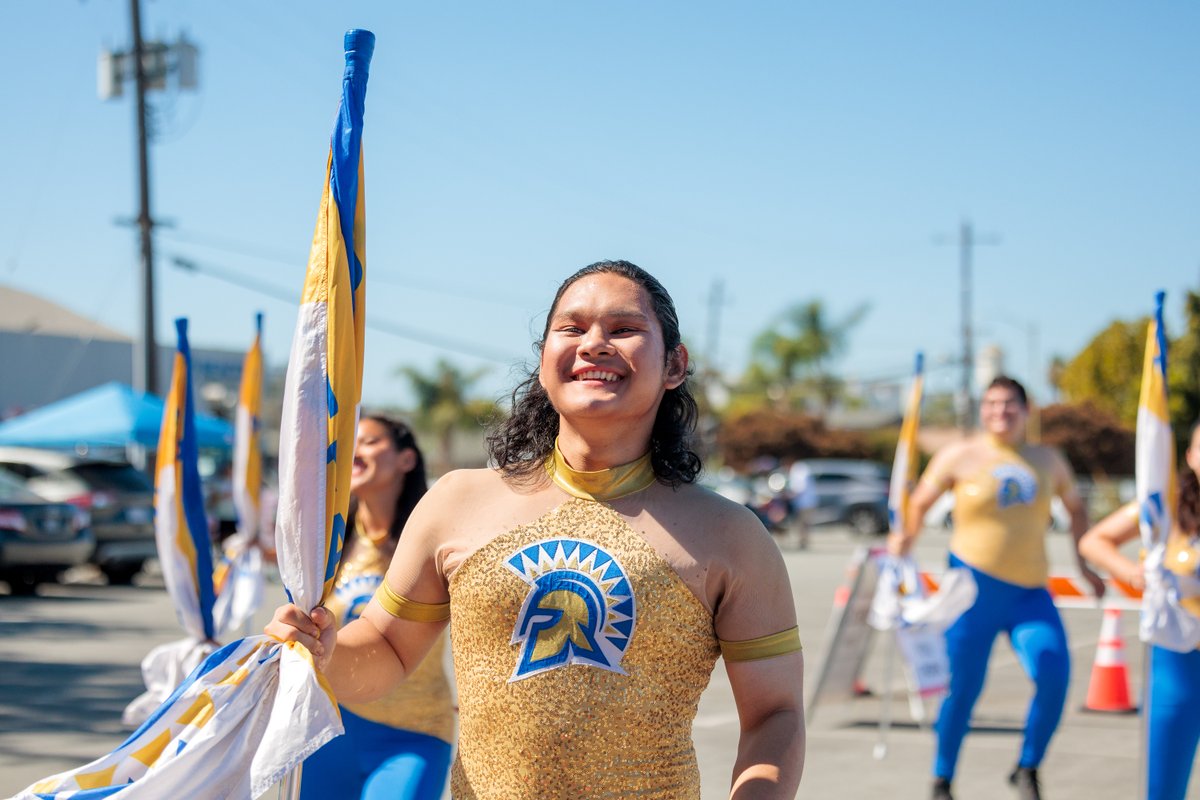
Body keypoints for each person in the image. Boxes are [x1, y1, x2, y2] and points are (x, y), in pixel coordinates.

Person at [268, 260, 805, 799]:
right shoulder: (456, 502)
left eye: (624, 329)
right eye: (571, 329)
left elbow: (774, 714)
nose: (594, 344)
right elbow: (389, 650)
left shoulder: (731, 534)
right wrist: (325, 652)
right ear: (545, 357)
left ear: (675, 364)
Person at [887, 376, 1104, 800]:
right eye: (990, 404)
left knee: (1052, 669)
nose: (999, 412)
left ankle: (1027, 767)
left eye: (1008, 404)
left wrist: (1085, 566)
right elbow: (918, 504)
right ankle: (942, 778)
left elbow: (1077, 510)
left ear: (1026, 410)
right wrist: (904, 540)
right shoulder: (959, 455)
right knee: (962, 690)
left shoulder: (1047, 459)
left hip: (1029, 594)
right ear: (982, 410)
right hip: (971, 592)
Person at [298, 414, 454, 800]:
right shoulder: (325, 551)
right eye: (351, 442)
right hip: (328, 729)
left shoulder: (436, 542)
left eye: (369, 441)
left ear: (406, 459)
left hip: (415, 732)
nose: (355, 450)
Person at [1079, 420, 1200, 800]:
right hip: (1176, 661)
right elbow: (1094, 541)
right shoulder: (1165, 505)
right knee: (1162, 787)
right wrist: (1134, 574)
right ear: (1190, 455)